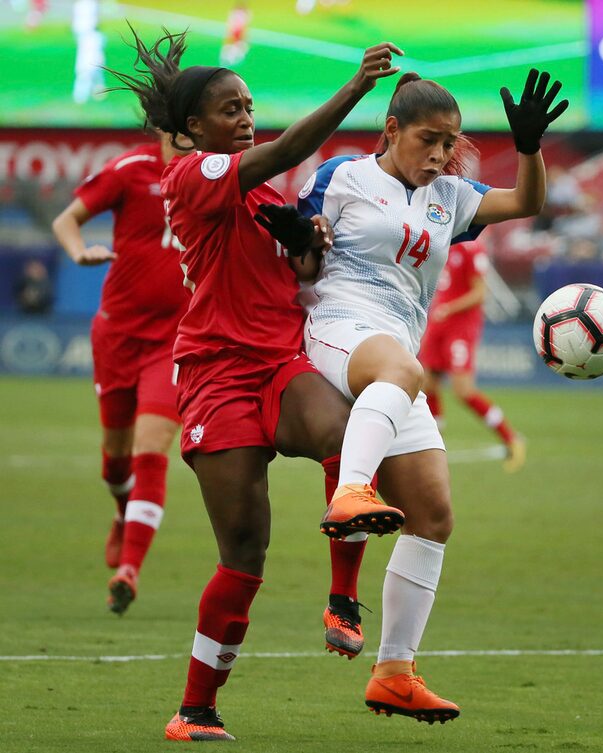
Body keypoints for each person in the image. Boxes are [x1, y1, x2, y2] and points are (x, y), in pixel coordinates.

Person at [107, 26, 406, 741]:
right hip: (215, 374)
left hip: (278, 360)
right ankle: (196, 708)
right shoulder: (191, 176)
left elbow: (296, 275)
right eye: (229, 110)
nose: (245, 119)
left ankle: (343, 599)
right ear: (191, 128)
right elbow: (287, 150)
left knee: (345, 435)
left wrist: (309, 247)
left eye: (248, 106)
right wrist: (356, 90)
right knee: (245, 549)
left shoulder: (262, 189)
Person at [299, 68, 568, 722]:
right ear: (391, 130)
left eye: (450, 142)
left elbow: (525, 203)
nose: (441, 154)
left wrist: (528, 148)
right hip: (338, 326)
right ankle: (350, 492)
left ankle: (395, 668)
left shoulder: (450, 195)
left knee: (434, 513)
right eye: (428, 139)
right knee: (401, 370)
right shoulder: (342, 176)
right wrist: (304, 243)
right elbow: (297, 251)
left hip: (396, 356)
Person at [52, 130, 191, 615]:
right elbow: (67, 220)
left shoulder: (217, 173)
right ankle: (121, 508)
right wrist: (78, 251)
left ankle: (129, 568)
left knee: (149, 450)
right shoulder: (131, 169)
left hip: (175, 340)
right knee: (115, 459)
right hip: (117, 335)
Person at [418, 239, 525, 471]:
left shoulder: (472, 248)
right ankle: (434, 445)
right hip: (438, 324)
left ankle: (511, 438)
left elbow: (479, 293)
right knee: (427, 384)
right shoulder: (442, 241)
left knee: (463, 390)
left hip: (460, 328)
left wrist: (449, 308)